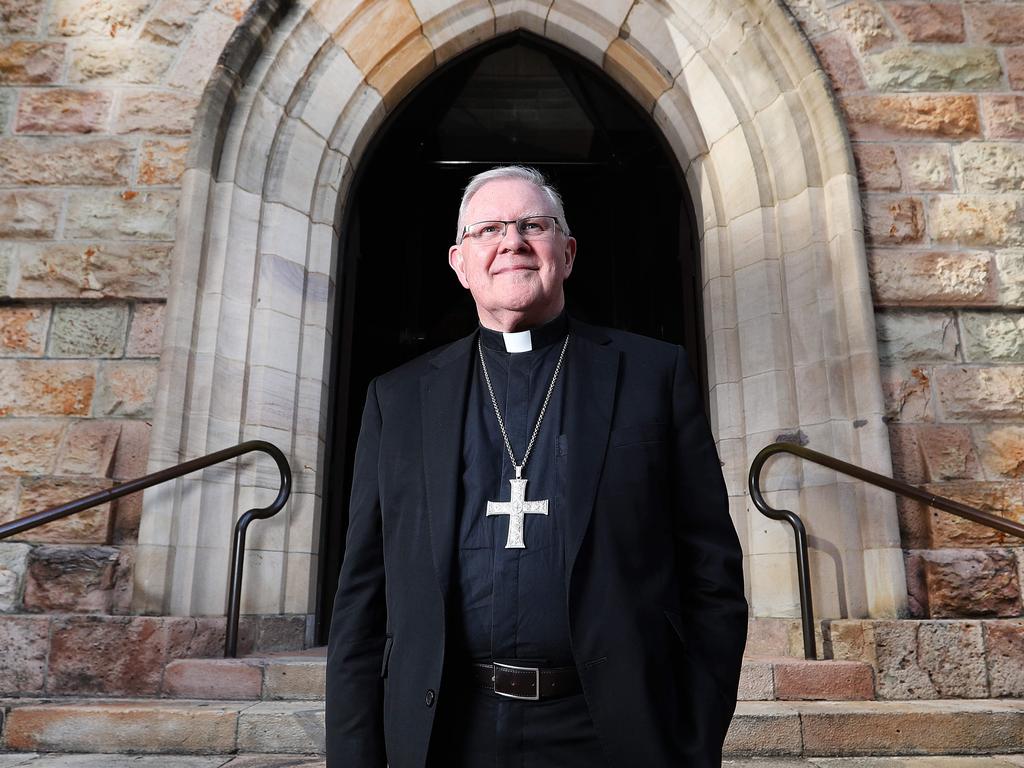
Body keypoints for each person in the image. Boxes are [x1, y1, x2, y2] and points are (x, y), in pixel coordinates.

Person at [326, 165, 747, 768]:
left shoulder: (652, 377)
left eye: (533, 225)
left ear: (567, 253)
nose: (511, 242)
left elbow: (712, 575)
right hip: (445, 730)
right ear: (459, 262)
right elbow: (361, 600)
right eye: (488, 230)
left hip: (611, 733)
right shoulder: (398, 400)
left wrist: (694, 738)